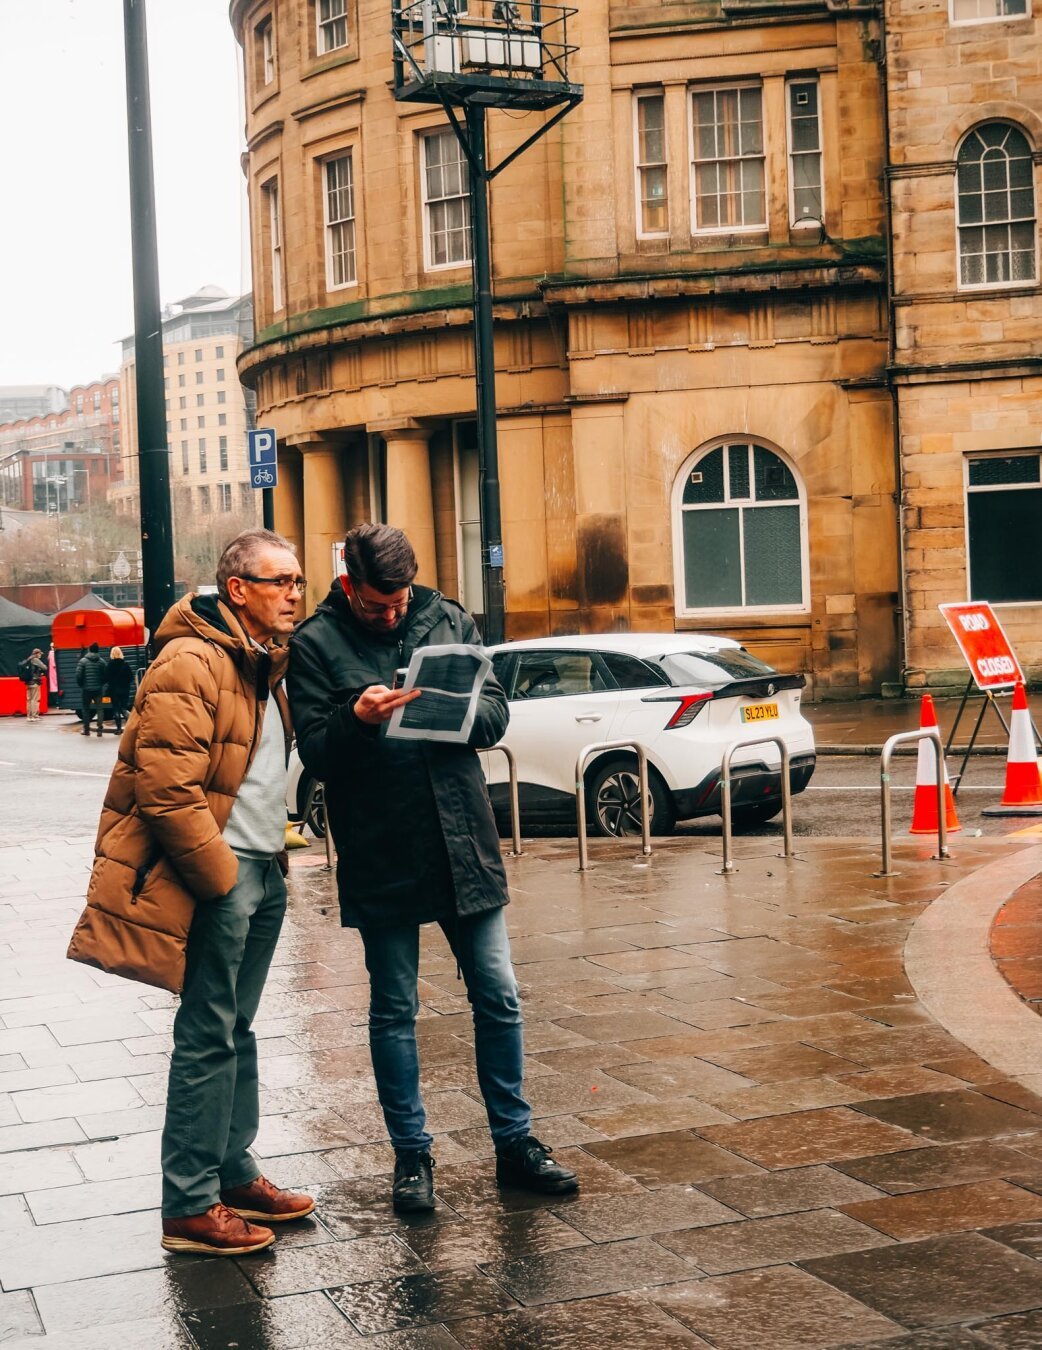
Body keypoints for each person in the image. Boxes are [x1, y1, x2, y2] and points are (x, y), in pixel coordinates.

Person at [288, 523, 578, 1213]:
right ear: (348, 584)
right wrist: (357, 720)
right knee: (394, 1008)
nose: (390, 614)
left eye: (399, 601)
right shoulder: (314, 643)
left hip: (460, 833)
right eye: (376, 605)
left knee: (499, 993)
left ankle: (516, 1142)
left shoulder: (447, 616)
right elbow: (317, 752)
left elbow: (498, 711)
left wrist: (464, 713)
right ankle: (412, 1157)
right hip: (381, 843)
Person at [67, 528, 315, 1256]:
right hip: (226, 873)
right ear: (238, 589)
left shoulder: (262, 660)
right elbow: (167, 788)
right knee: (208, 1034)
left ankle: (234, 1173)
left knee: (237, 1028)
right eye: (279, 582)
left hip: (265, 865)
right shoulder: (193, 660)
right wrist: (223, 876)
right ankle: (188, 1204)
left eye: (298, 580)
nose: (294, 594)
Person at [76, 642, 107, 737]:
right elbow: (106, 675)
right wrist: (101, 683)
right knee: (100, 709)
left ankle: (87, 729)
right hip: (98, 689)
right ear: (98, 650)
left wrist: (81, 684)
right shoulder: (102, 661)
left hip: (86, 689)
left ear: (89, 650)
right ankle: (99, 730)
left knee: (85, 709)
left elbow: (78, 675)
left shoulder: (83, 661)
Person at [103, 646, 134, 733]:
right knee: (124, 708)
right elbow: (131, 678)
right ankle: (130, 727)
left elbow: (106, 678)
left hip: (114, 691)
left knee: (116, 709)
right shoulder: (126, 664)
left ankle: (119, 729)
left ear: (112, 654)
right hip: (125, 690)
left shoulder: (110, 665)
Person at [18, 647, 47, 722]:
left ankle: (29, 716)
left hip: (28, 682)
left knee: (29, 700)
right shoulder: (35, 659)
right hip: (34, 682)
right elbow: (44, 668)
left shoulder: (28, 659)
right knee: (35, 699)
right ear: (37, 654)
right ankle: (34, 716)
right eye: (40, 653)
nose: (40, 655)